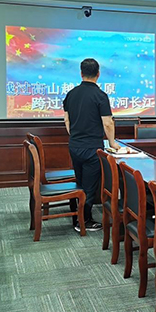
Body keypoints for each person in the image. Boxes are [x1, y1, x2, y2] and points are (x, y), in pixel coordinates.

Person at [63, 58, 118, 232]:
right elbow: (107, 123)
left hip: (74, 145)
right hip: (92, 148)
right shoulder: (100, 96)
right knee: (89, 187)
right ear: (98, 74)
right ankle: (84, 221)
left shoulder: (71, 94)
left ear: (81, 73)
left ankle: (77, 216)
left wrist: (75, 136)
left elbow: (67, 119)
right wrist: (112, 143)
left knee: (80, 182)